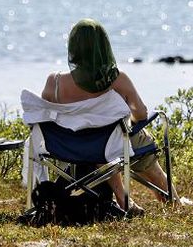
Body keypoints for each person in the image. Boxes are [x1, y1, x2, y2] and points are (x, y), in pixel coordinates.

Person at [41, 18, 184, 215]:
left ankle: (124, 198)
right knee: (130, 138)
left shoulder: (54, 82)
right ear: (104, 46)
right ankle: (173, 202)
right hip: (109, 147)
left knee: (108, 138)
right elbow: (141, 114)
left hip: (69, 148)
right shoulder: (118, 80)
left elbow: (47, 117)